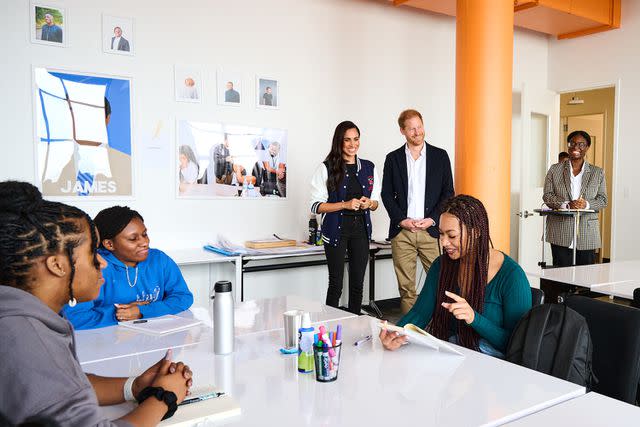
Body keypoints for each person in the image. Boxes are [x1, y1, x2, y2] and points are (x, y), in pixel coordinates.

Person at [0, 181, 193, 426]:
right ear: (57, 265)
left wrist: (133, 386)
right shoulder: (26, 340)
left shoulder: (25, 317)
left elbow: (67, 384)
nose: (102, 262)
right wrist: (163, 397)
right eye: (93, 253)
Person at [379, 195, 532, 358]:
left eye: (452, 236)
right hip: (453, 354)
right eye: (441, 234)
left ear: (477, 232)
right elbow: (419, 314)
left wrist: (475, 319)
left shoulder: (512, 276)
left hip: (492, 366)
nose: (444, 243)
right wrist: (396, 333)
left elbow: (519, 344)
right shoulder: (441, 266)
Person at [64, 206, 194, 329]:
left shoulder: (159, 259)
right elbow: (75, 318)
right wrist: (119, 314)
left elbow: (183, 297)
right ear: (109, 244)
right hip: (107, 342)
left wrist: (141, 311)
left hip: (154, 336)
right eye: (133, 239)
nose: (145, 242)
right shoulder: (93, 267)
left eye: (144, 234)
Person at [381, 109, 454, 314]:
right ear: (402, 131)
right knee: (407, 290)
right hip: (403, 233)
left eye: (419, 126)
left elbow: (448, 192)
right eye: (411, 128)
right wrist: (401, 220)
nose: (417, 132)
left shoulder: (440, 156)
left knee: (442, 285)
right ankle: (409, 334)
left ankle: (440, 331)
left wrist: (433, 219)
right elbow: (386, 194)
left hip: (431, 232)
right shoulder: (393, 158)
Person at [310, 121, 381, 314]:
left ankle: (354, 326)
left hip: (361, 230)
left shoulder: (369, 168)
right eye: (347, 140)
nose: (352, 144)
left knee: (358, 284)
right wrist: (345, 204)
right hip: (335, 231)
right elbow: (316, 206)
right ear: (339, 142)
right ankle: (330, 328)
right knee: (336, 284)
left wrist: (370, 204)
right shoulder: (326, 168)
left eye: (356, 139)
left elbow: (375, 202)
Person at [543, 130, 607, 267]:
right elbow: (547, 196)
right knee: (561, 276)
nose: (575, 147)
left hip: (587, 232)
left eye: (581, 144)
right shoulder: (555, 170)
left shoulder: (597, 172)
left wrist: (586, 204)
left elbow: (603, 200)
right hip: (560, 231)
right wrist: (566, 204)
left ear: (587, 147)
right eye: (572, 143)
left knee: (586, 278)